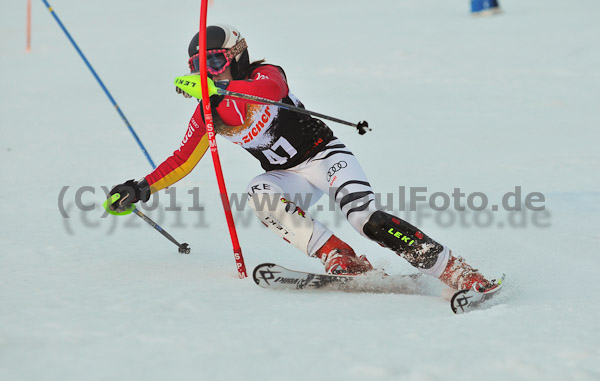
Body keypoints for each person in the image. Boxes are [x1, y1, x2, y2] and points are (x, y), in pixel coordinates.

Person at [107, 24, 498, 292]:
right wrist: (139, 188)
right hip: (286, 176)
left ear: (237, 57)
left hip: (326, 158)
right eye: (198, 68)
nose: (207, 73)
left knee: (367, 220)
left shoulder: (264, 75)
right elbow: (182, 160)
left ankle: (454, 270)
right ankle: (337, 255)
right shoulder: (207, 113)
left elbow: (273, 90)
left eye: (214, 62)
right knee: (259, 192)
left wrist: (219, 88)